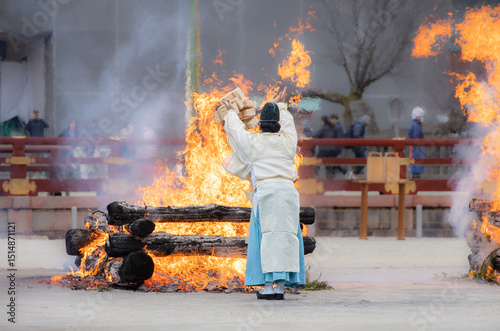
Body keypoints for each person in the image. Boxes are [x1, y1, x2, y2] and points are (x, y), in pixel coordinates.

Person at [221, 87, 305, 300]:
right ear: (277, 124)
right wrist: (281, 105)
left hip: (266, 194)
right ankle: (280, 288)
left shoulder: (254, 142)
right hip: (287, 194)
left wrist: (231, 112)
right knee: (286, 237)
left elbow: (237, 133)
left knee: (265, 238)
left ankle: (267, 287)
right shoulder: (288, 141)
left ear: (260, 125)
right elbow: (289, 125)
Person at [312, 114, 347, 178]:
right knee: (328, 162)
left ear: (323, 121)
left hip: (324, 148)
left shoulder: (324, 128)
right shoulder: (332, 127)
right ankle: (330, 175)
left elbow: (316, 135)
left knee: (318, 160)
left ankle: (315, 174)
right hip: (331, 149)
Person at [346, 114, 371, 179]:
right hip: (358, 147)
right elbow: (356, 135)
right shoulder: (359, 126)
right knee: (363, 160)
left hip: (357, 147)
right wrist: (363, 141)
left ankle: (353, 174)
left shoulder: (358, 125)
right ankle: (354, 173)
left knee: (360, 161)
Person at [407, 107, 425, 179]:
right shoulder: (416, 126)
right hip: (417, 147)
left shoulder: (413, 125)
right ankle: (416, 179)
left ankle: (415, 176)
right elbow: (416, 138)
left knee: (414, 162)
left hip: (414, 147)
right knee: (417, 162)